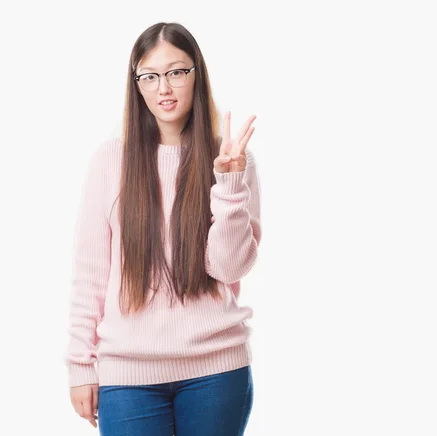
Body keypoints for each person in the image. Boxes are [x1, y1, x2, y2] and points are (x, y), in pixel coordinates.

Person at [64, 21, 261, 436]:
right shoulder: (110, 160)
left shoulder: (234, 160)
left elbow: (229, 269)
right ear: (136, 84)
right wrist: (81, 365)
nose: (164, 88)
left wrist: (228, 181)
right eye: (150, 76)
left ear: (197, 74)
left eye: (176, 72)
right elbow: (90, 273)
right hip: (127, 375)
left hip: (216, 369)